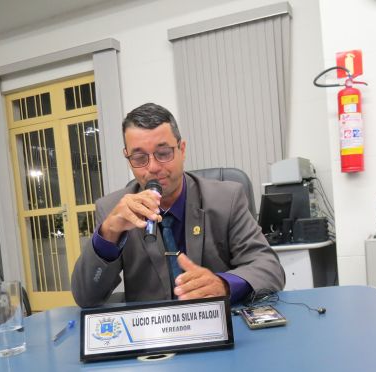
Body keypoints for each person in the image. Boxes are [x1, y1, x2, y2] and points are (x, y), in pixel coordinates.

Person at [71, 103, 285, 307]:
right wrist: (109, 233)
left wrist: (224, 285)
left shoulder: (227, 198)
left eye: (164, 153)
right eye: (139, 157)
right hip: (151, 328)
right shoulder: (112, 210)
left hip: (213, 321)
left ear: (182, 149)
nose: (153, 167)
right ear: (128, 159)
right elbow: (86, 297)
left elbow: (269, 268)